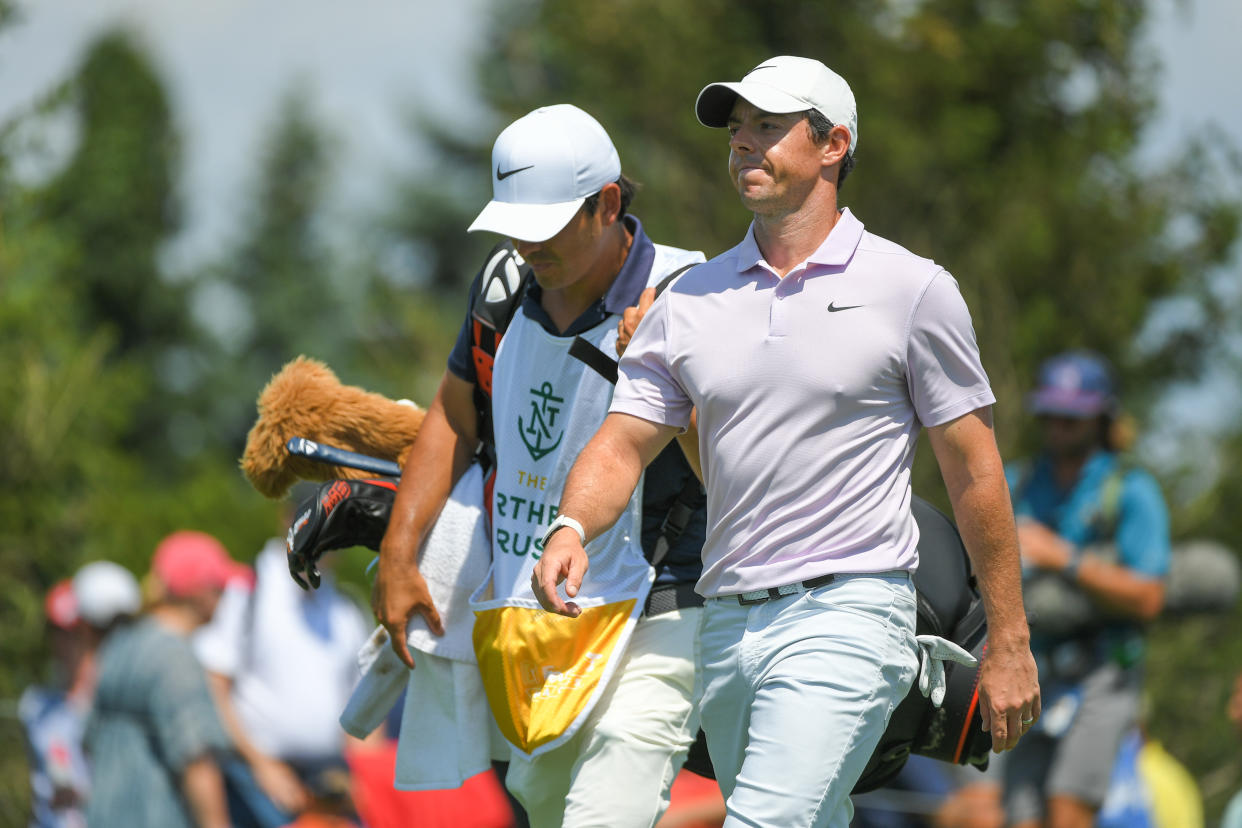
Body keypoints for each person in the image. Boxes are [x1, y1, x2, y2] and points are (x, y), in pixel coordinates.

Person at [533, 55, 1040, 827]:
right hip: (728, 622)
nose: (742, 144)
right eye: (737, 130)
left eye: (768, 127)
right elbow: (623, 443)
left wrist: (1009, 638)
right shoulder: (689, 300)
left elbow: (975, 474)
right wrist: (571, 525)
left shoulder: (913, 290)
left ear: (833, 144)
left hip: (852, 610)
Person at [372, 103, 708, 826]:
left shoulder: (689, 294)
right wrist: (400, 555)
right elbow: (453, 419)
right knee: (544, 802)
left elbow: (735, 466)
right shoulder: (500, 286)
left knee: (612, 784)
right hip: (536, 609)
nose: (525, 243)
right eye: (514, 224)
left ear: (608, 205)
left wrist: (666, 359)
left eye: (545, 223)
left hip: (664, 599)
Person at [1002, 351, 1171, 828]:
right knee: (1020, 812)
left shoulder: (1132, 491)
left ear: (1101, 418)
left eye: (1072, 417)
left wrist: (1065, 558)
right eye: (1050, 414)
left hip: (1104, 671)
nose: (1058, 426)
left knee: (1069, 804)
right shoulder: (1018, 482)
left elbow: (1148, 597)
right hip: (1033, 667)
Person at [195, 525, 373, 827]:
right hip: (260, 783)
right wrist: (261, 765)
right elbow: (213, 687)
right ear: (290, 522)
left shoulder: (346, 607)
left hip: (331, 783)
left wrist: (363, 776)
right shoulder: (248, 592)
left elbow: (366, 703)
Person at [84, 531, 247, 828]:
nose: (225, 597)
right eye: (220, 587)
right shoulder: (175, 659)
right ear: (198, 590)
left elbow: (89, 740)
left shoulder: (120, 645)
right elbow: (197, 761)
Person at [19, 562, 142, 828]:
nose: (63, 642)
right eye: (57, 631)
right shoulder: (35, 705)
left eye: (73, 632)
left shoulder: (117, 700)